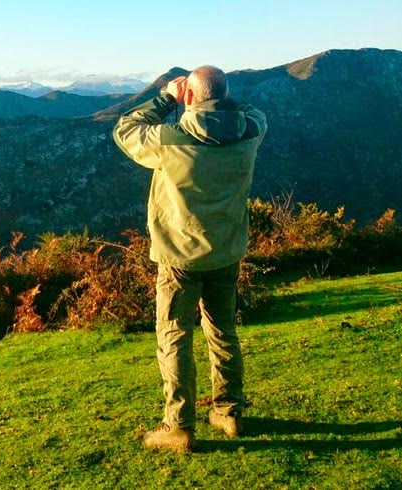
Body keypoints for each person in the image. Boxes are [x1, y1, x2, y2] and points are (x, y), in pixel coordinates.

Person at [112, 65, 267, 452]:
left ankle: (178, 426)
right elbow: (254, 112)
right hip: (227, 251)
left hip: (179, 257)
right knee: (222, 330)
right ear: (227, 97)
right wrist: (217, 97)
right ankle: (228, 411)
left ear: (191, 97)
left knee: (174, 336)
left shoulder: (169, 138)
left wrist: (167, 97)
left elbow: (125, 129)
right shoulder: (251, 132)